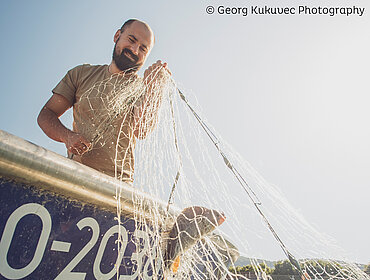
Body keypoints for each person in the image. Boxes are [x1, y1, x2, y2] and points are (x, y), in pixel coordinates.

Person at [38, 19, 171, 181]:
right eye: (131, 40)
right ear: (117, 36)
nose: (135, 50)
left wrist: (152, 91)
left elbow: (142, 130)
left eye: (143, 48)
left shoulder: (143, 88)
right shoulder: (81, 74)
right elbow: (46, 115)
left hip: (117, 186)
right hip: (73, 175)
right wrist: (67, 136)